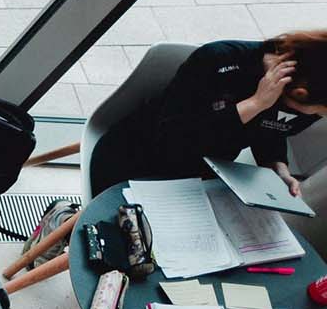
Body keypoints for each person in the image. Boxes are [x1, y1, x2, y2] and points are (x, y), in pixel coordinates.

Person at [90, 31, 327, 197]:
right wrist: (254, 104)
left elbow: (271, 131)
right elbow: (174, 136)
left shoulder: (304, 102)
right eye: (319, 111)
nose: (319, 116)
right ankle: (64, 218)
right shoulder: (219, 59)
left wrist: (278, 168)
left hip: (207, 173)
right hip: (138, 156)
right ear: (301, 93)